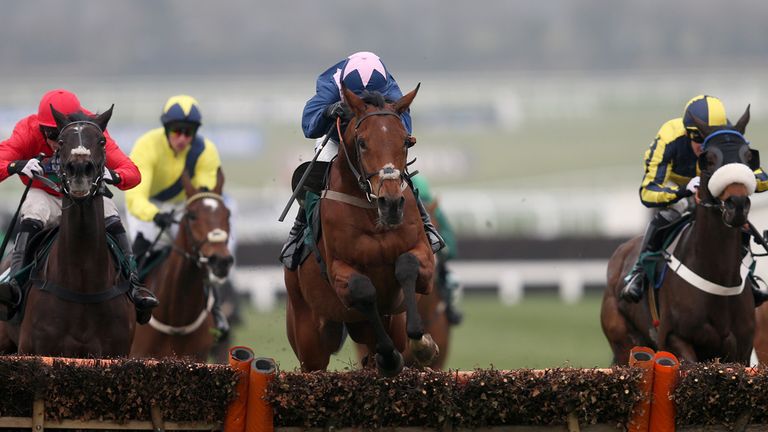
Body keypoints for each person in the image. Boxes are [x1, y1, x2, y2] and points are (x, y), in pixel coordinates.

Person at [0, 89, 159, 321]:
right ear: (41, 127)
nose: (54, 142)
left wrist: (113, 176)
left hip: (86, 199)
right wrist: (15, 166)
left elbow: (132, 173)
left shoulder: (92, 130)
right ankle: (15, 284)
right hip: (45, 194)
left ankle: (135, 285)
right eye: (50, 133)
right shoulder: (28, 128)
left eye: (59, 134)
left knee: (112, 214)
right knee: (34, 209)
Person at [280, 51, 444, 269]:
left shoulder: (389, 86)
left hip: (374, 141)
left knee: (396, 170)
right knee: (319, 171)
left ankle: (425, 225)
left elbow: (402, 122)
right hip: (337, 139)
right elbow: (307, 124)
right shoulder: (331, 82)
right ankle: (299, 231)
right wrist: (329, 111)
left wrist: (397, 138)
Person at [621, 94, 768, 305]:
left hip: (715, 189)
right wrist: (683, 190)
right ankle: (639, 273)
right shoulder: (669, 138)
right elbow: (648, 192)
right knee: (671, 213)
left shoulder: (730, 138)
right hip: (676, 187)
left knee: (738, 218)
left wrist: (744, 178)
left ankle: (748, 278)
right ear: (687, 133)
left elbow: (762, 179)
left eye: (710, 137)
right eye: (697, 138)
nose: (704, 144)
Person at [124, 94, 229, 337]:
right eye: (176, 131)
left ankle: (217, 309)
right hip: (147, 208)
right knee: (141, 245)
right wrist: (155, 215)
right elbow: (135, 197)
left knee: (206, 249)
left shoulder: (206, 151)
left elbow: (203, 197)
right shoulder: (146, 145)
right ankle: (128, 303)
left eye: (188, 132)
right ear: (166, 129)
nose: (182, 138)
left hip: (183, 208)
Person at [411, 175, 463, 325]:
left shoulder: (437, 213)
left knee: (450, 282)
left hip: (433, 257)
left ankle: (449, 310)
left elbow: (449, 239)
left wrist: (444, 250)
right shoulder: (404, 209)